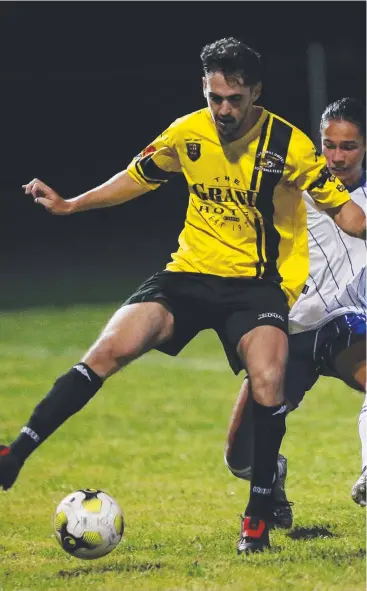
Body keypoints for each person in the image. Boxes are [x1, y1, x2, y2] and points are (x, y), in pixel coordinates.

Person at [0, 39, 366, 555]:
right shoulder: (186, 132)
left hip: (258, 286)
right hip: (189, 275)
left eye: (235, 98)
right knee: (108, 349)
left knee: (268, 379)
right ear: (204, 89)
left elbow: (348, 216)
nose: (223, 109)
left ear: (255, 93)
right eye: (215, 96)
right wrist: (71, 205)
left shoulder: (291, 145)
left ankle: (257, 520)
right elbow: (137, 177)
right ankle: (15, 453)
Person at [224, 97, 367, 552]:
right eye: (329, 145)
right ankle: (274, 472)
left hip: (348, 322)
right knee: (239, 456)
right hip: (290, 331)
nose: (338, 157)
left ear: (364, 148)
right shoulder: (289, 191)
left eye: (349, 147)